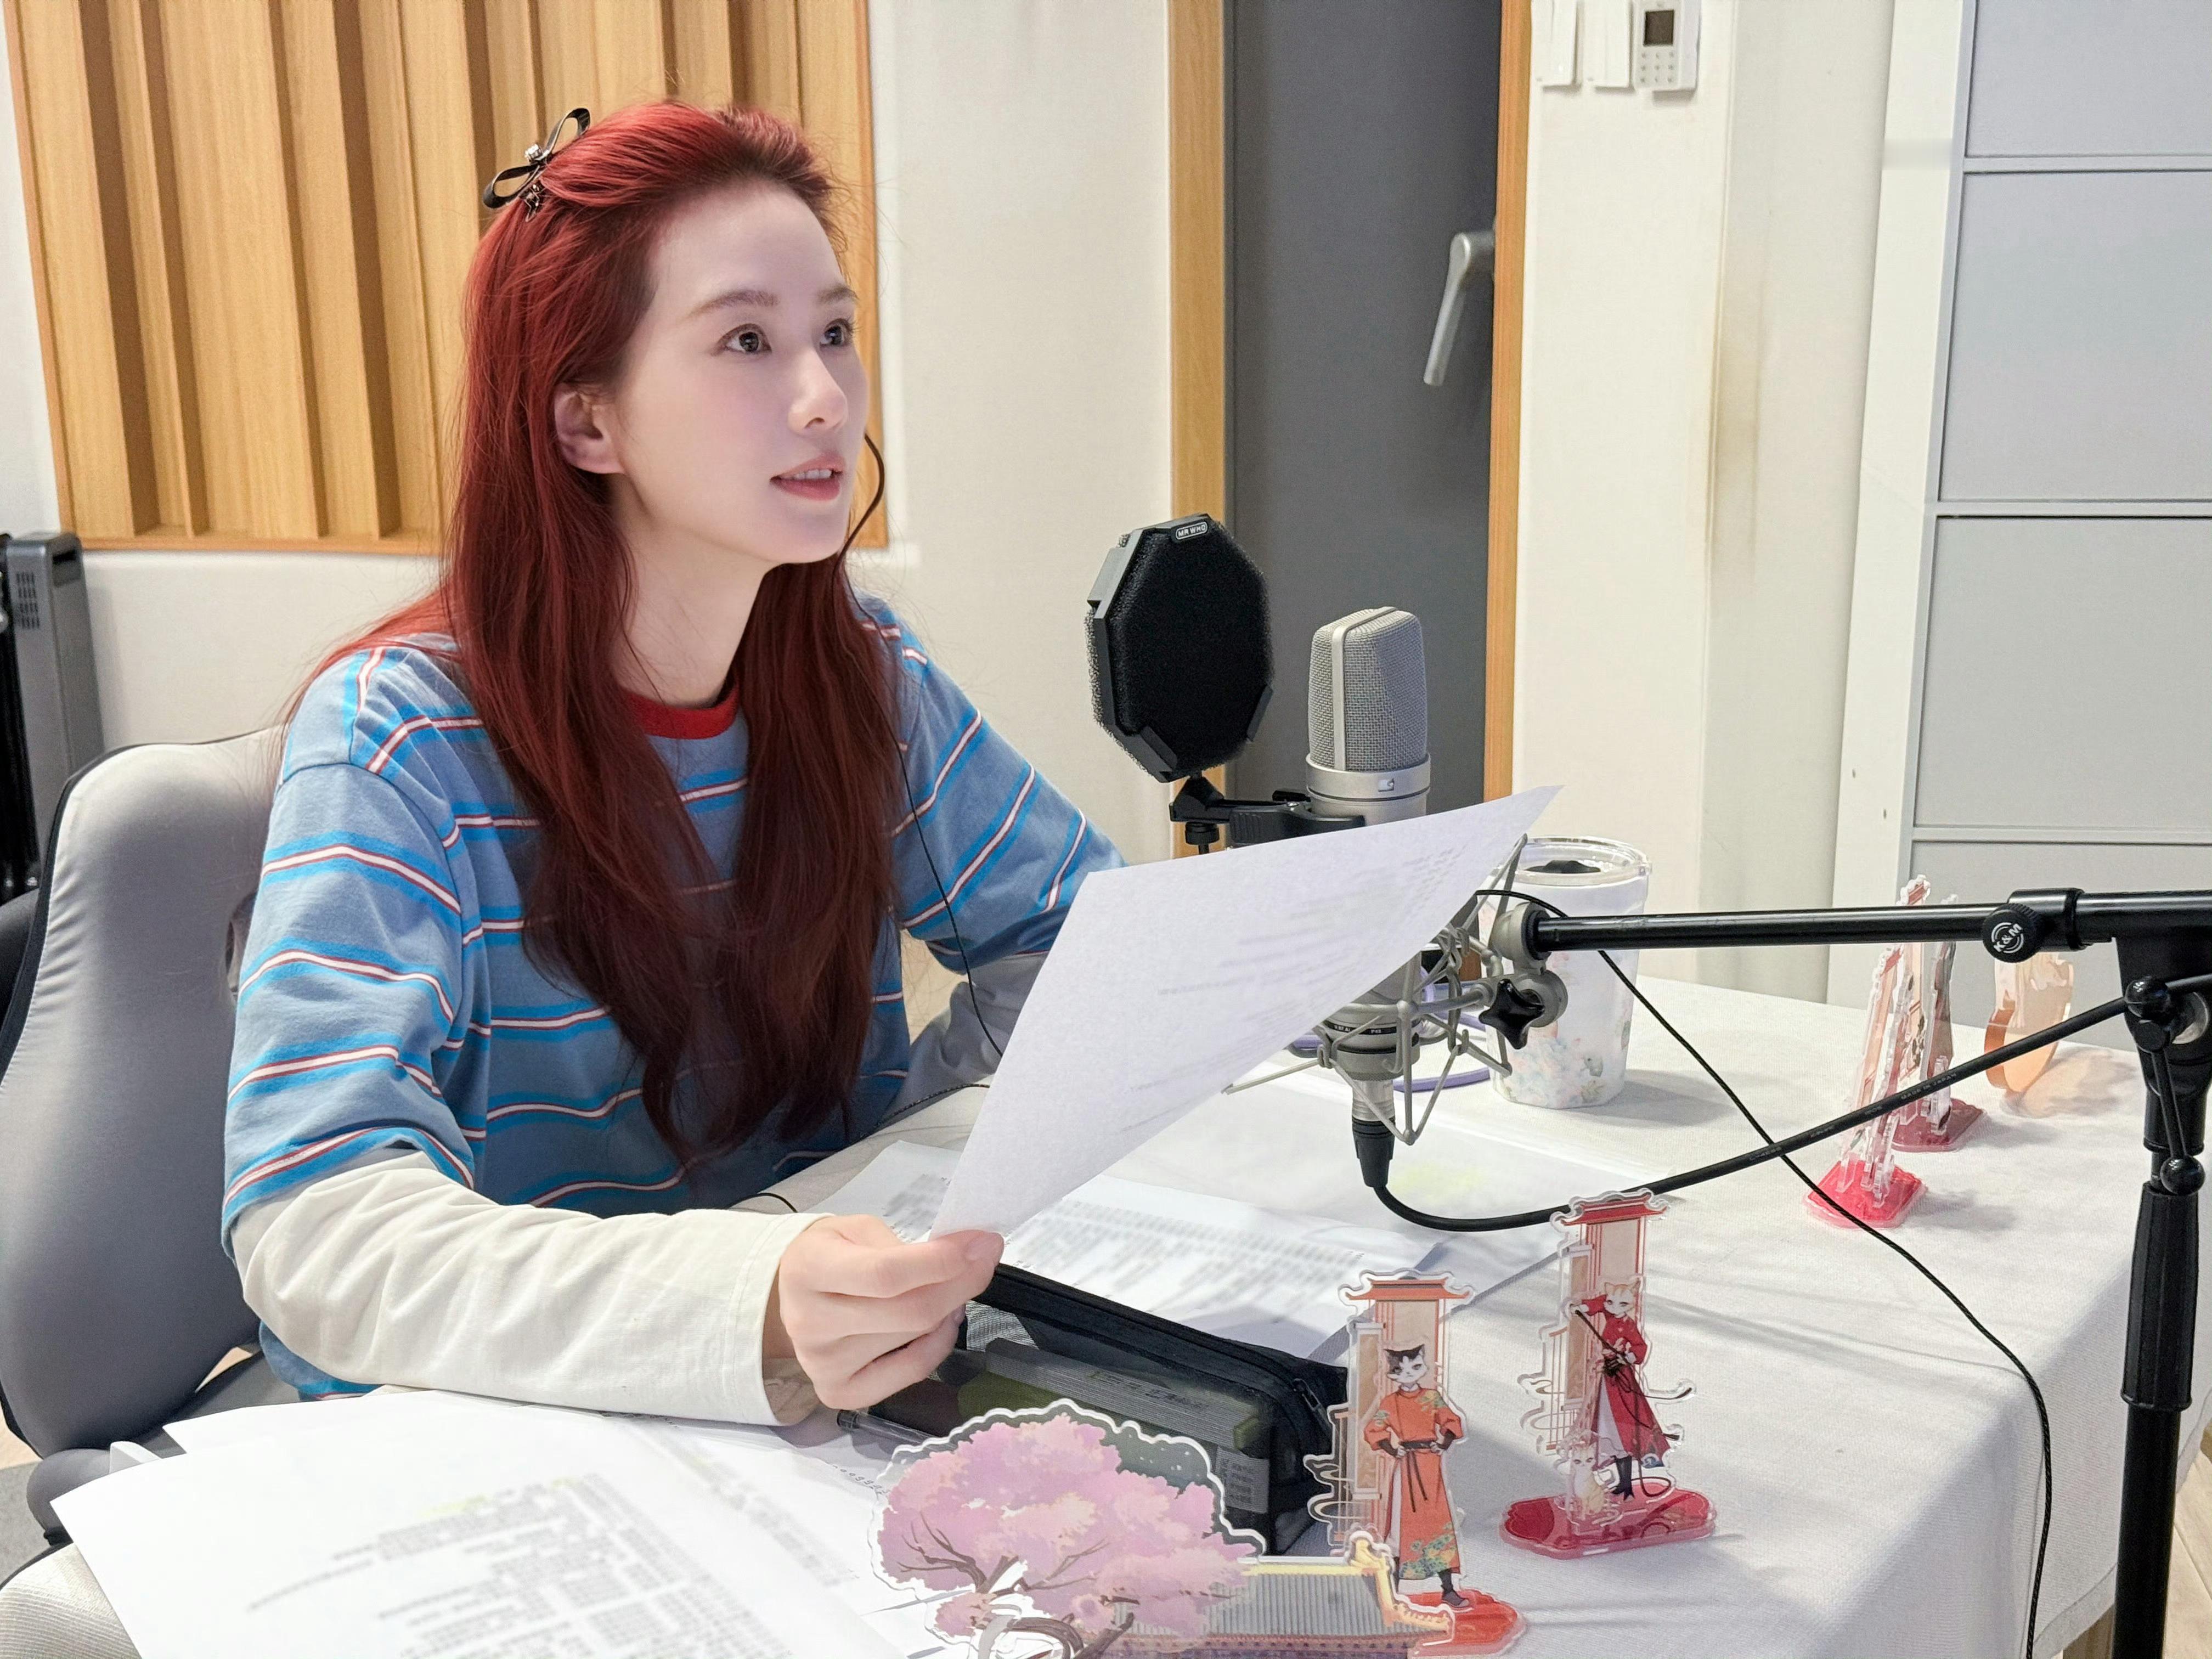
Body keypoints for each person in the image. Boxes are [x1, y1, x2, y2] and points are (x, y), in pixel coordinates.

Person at [221, 101, 1119, 1427]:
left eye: (834, 333)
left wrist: (889, 1190)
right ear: (588, 421)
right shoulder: (397, 738)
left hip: (813, 1398)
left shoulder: (864, 677)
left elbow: (1092, 954)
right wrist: (746, 1291)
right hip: (497, 1426)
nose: (824, 398)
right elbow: (315, 1226)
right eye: (747, 341)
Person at [1362, 1342, 1469, 1606]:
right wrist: (1391, 1449)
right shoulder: (1391, 1402)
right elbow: (1374, 1429)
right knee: (1401, 1524)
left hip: (1430, 1466)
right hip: (1407, 1467)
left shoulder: (1431, 1397)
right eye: (1401, 1369)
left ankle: (1448, 1589)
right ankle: (1391, 1590)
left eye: (1416, 1366)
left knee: (1437, 1523)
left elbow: (1451, 1420)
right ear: (1392, 1373)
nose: (1409, 1373)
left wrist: (1443, 1443)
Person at [1579, 1284, 1672, 1497]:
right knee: (1609, 1427)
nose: (1614, 1307)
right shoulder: (1610, 1315)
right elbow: (1601, 1302)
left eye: (1622, 1304)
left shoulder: (1628, 1324)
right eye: (1611, 1303)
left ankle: (1627, 1482)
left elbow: (1640, 1347)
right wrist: (1584, 1307)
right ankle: (1624, 1483)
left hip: (1620, 1376)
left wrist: (1626, 1357)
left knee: (1622, 1425)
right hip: (1606, 1376)